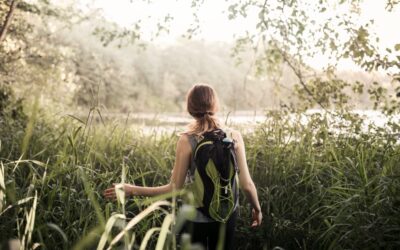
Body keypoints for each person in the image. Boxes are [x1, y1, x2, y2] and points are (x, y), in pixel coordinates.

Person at [103, 84, 262, 249]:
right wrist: (257, 209)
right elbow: (247, 185)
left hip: (195, 218)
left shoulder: (187, 140)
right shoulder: (234, 137)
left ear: (190, 109)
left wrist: (132, 189)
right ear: (215, 105)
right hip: (227, 216)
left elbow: (173, 189)